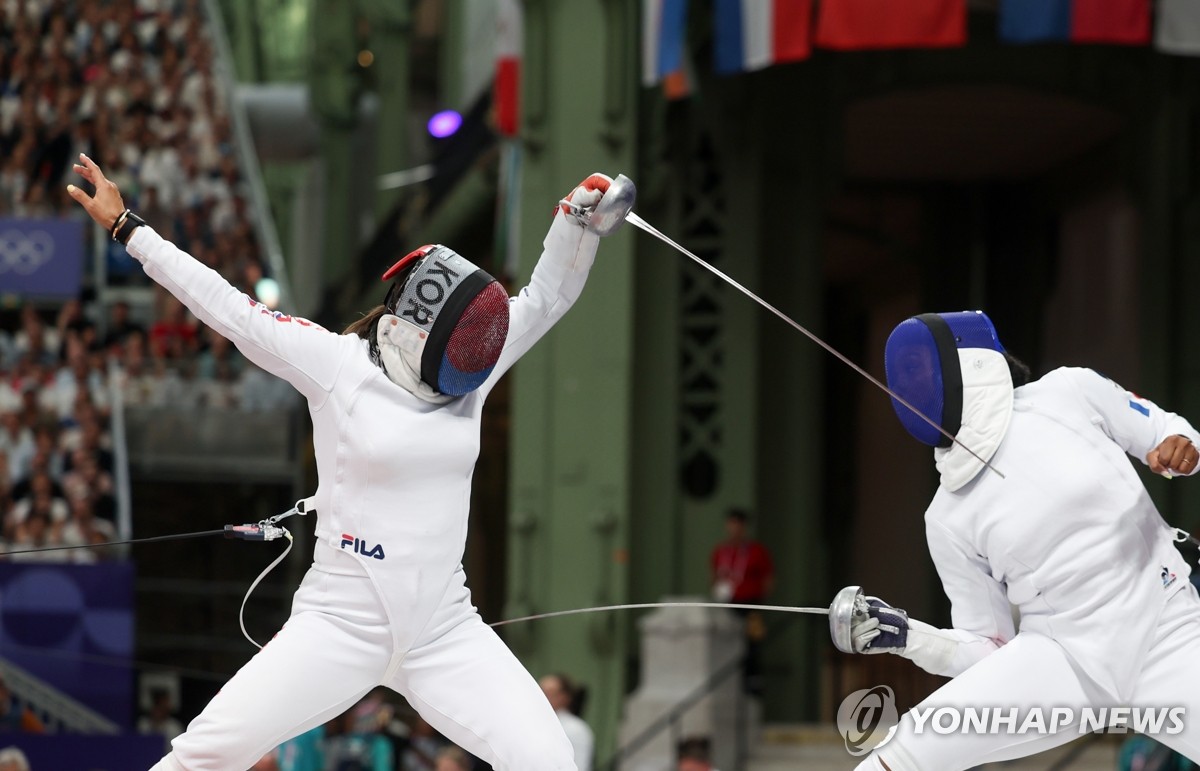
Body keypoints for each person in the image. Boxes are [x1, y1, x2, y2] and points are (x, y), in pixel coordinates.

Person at [67, 152, 617, 771]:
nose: (478, 357)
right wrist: (129, 229)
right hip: (339, 624)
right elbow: (227, 308)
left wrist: (575, 223)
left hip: (443, 628)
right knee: (207, 752)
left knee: (547, 758)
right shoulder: (336, 366)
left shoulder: (474, 369)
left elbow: (543, 299)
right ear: (417, 332)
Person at [841, 311, 1200, 769]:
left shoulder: (1068, 393)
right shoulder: (946, 515)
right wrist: (910, 638)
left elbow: (1165, 429)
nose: (906, 385)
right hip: (1063, 660)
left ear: (966, 360)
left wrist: (1182, 445)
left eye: (916, 367)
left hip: (1164, 630)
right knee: (899, 754)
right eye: (901, 375)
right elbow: (989, 648)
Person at [709, 509, 773, 694]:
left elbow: (768, 577)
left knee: (753, 640)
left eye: (738, 525)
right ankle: (727, 679)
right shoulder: (720, 551)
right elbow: (714, 575)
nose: (734, 529)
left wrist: (761, 600)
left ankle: (752, 679)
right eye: (731, 524)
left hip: (752, 603)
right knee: (727, 640)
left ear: (744, 527)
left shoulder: (756, 551)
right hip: (728, 603)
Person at [540, 674, 594, 771]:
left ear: (564, 697)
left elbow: (578, 766)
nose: (542, 696)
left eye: (548, 693)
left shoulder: (575, 728)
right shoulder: (539, 722)